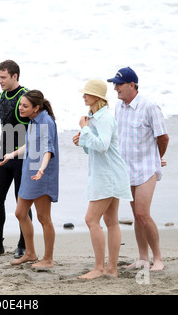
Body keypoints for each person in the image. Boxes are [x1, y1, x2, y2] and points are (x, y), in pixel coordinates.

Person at [107, 67, 169, 271]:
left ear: (132, 85)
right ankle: (143, 257)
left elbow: (163, 137)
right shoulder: (119, 107)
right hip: (126, 169)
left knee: (143, 213)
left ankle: (158, 258)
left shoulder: (149, 106)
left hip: (146, 168)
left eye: (119, 84)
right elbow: (117, 137)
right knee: (136, 215)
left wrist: (157, 158)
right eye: (114, 84)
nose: (115, 88)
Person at [73, 79, 133, 279]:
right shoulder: (94, 117)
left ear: (97, 97)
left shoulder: (104, 118)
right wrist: (81, 139)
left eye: (87, 93)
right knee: (110, 221)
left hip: (108, 176)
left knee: (91, 219)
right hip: (107, 174)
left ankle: (100, 268)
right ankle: (112, 269)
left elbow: (103, 145)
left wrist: (85, 129)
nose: (83, 96)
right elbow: (93, 148)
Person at [0, 90, 58, 268]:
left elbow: (48, 150)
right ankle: (30, 253)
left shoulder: (46, 122)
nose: (21, 109)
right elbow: (31, 144)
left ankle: (48, 259)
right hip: (30, 171)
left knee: (43, 217)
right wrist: (11, 154)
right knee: (20, 213)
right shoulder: (33, 121)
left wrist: (41, 170)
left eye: (25, 106)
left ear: (36, 107)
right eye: (20, 105)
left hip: (41, 174)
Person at [0, 60, 32, 258]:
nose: (0, 81)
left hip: (24, 156)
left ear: (15, 76)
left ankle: (23, 245)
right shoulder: (1, 96)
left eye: (3, 77)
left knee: (22, 204)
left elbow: (38, 127)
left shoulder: (26, 97)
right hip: (4, 153)